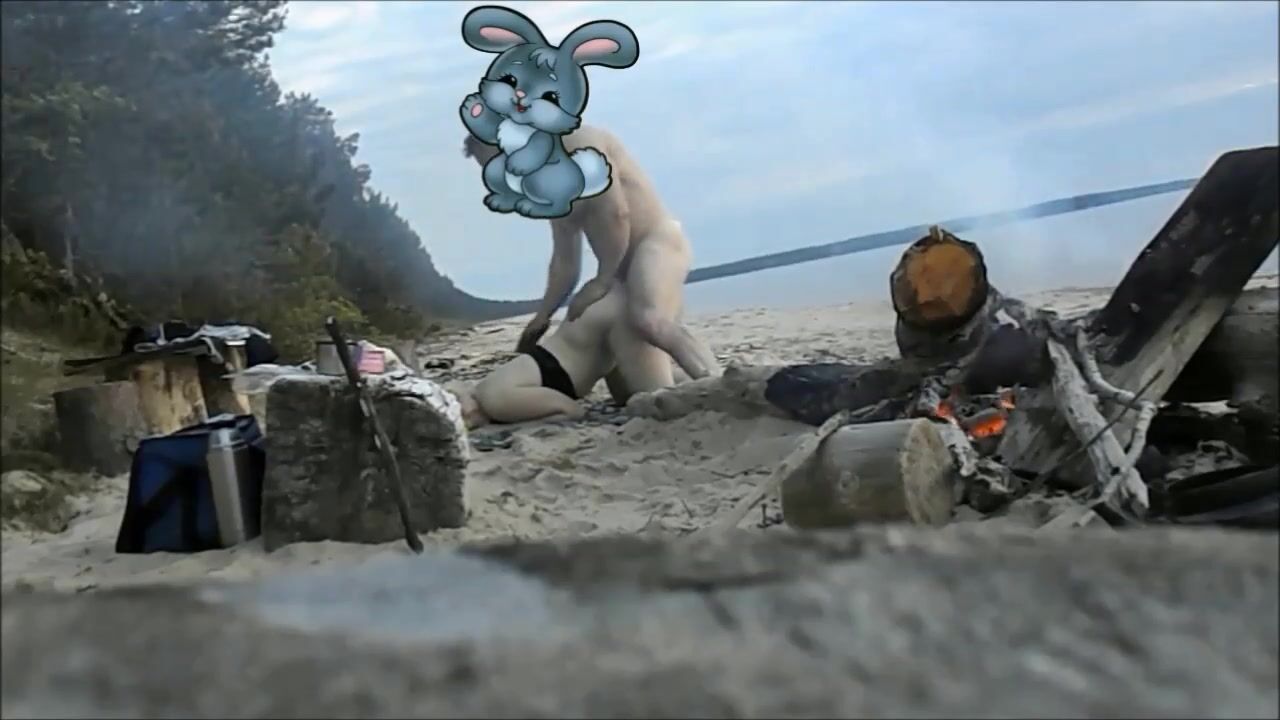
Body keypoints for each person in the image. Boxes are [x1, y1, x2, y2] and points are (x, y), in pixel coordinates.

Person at [463, 124, 721, 404]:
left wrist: (602, 280)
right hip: (620, 270)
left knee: (650, 319)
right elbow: (565, 261)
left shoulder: (577, 142)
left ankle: (717, 381)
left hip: (657, 242)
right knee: (630, 392)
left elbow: (617, 214)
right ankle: (688, 384)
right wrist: (542, 317)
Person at [450, 282, 696, 429]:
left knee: (652, 396)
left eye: (464, 420)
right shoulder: (488, 390)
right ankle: (697, 376)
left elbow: (571, 411)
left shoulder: (494, 401)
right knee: (639, 393)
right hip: (585, 343)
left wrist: (516, 424)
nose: (469, 422)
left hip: (566, 362)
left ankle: (695, 379)